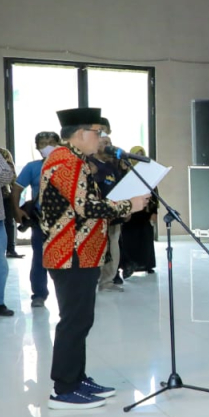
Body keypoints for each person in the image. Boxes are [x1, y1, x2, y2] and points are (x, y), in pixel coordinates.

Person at [41, 107, 146, 408]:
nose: (101, 138)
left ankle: (77, 378)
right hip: (69, 253)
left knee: (82, 320)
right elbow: (85, 207)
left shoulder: (77, 160)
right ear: (80, 133)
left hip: (82, 252)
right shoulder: (65, 160)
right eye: (97, 132)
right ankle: (63, 389)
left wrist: (124, 204)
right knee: (74, 321)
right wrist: (129, 205)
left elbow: (87, 203)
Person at [16, 131, 61, 308]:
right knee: (40, 258)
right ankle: (39, 294)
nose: (47, 146)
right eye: (43, 143)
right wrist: (16, 211)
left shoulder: (69, 165)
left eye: (51, 142)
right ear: (37, 147)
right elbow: (16, 189)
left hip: (67, 221)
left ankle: (67, 293)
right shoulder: (32, 167)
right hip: (41, 220)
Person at [90, 120, 129, 292]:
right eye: (105, 143)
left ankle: (108, 281)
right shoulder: (90, 164)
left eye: (110, 143)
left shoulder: (112, 166)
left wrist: (126, 207)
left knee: (113, 246)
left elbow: (121, 187)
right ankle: (94, 282)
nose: (109, 146)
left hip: (114, 215)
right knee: (99, 249)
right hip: (97, 215)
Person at [118, 146, 159, 279]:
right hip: (131, 212)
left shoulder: (148, 174)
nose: (139, 158)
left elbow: (155, 193)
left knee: (145, 239)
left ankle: (147, 265)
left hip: (145, 212)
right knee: (130, 240)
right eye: (137, 155)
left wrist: (154, 212)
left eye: (142, 155)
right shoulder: (125, 172)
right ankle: (129, 265)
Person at [0, 128, 21, 259]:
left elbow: (10, 174)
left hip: (4, 193)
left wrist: (15, 195)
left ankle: (10, 249)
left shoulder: (1, 153)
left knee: (8, 221)